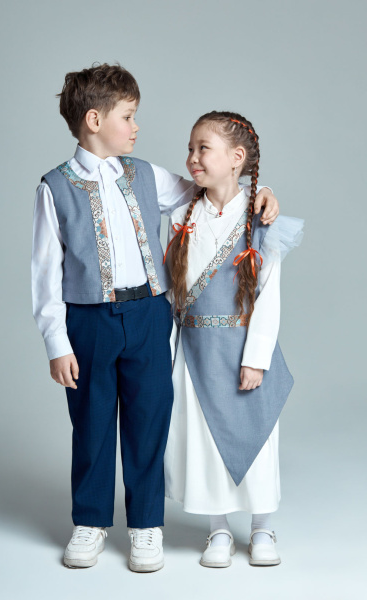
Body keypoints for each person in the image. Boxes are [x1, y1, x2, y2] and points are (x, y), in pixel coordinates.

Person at [31, 65, 279, 572]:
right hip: (88, 320)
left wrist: (262, 191)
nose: (136, 126)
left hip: (149, 314)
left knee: (149, 420)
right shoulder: (54, 188)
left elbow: (210, 190)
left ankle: (146, 525)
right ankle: (90, 521)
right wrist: (56, 342)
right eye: (128, 116)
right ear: (94, 120)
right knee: (91, 422)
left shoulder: (145, 174)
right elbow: (44, 272)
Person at [164, 111, 303, 568]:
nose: (192, 157)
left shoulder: (260, 217)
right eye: (190, 148)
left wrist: (256, 358)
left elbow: (269, 293)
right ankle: (218, 528)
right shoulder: (181, 215)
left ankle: (262, 527)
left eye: (203, 148)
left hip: (243, 348)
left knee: (256, 437)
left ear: (236, 157)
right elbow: (175, 291)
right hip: (197, 352)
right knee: (204, 438)